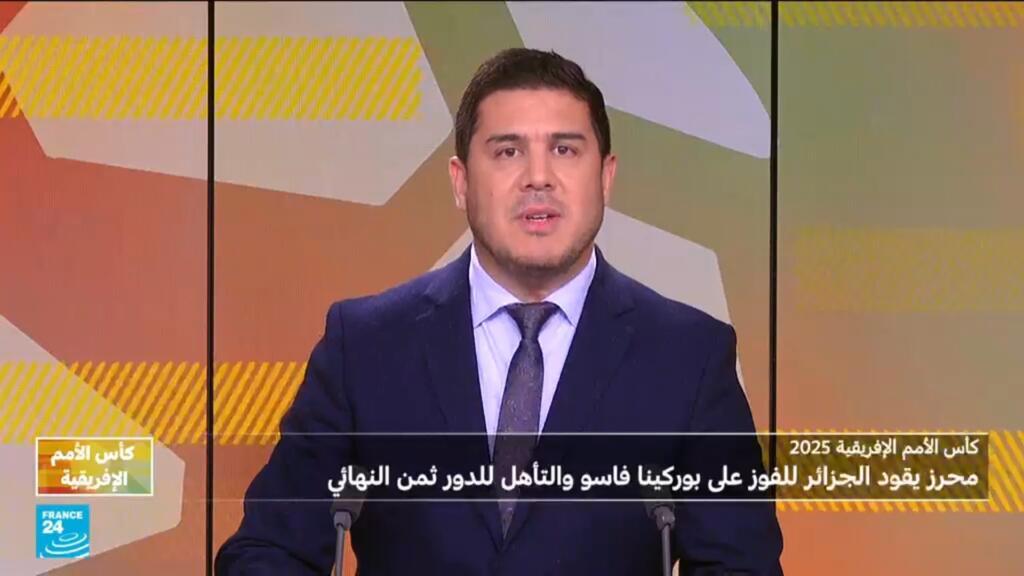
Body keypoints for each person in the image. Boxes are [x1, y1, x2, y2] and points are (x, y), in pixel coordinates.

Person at [216, 48, 783, 575]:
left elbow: (741, 567)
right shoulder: (365, 347)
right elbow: (268, 551)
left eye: (565, 149)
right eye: (508, 151)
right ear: (460, 182)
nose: (538, 177)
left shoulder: (688, 358)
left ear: (606, 177)